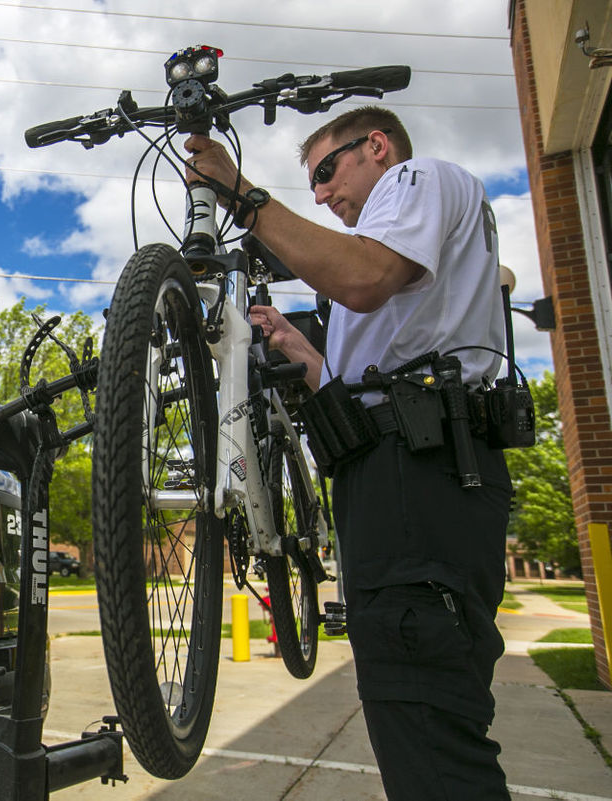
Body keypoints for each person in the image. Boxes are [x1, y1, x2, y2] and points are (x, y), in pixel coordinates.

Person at [184, 106, 513, 801]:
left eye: (328, 172)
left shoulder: (422, 178)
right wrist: (302, 350)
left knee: (427, 724)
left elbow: (365, 276)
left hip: (419, 477)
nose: (326, 195)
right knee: (413, 710)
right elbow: (367, 377)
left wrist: (243, 194)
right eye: (314, 186)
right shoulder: (394, 255)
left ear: (378, 146)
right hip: (397, 473)